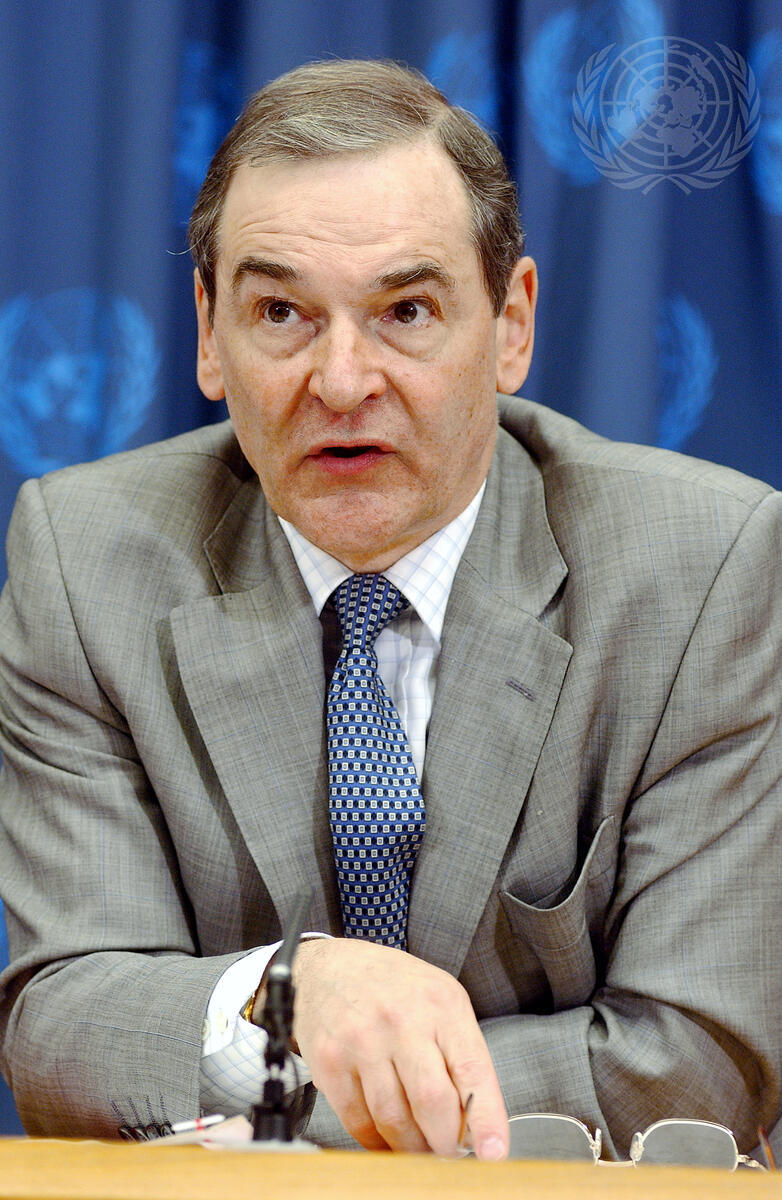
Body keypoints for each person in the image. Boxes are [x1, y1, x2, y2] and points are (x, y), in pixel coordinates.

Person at [1, 58, 781, 1161]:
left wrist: (271, 1099)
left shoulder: (703, 570)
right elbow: (64, 1027)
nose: (342, 380)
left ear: (510, 326)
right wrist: (290, 988)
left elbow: (695, 1061)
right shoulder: (86, 565)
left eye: (406, 311)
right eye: (281, 312)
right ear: (210, 332)